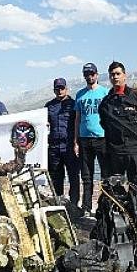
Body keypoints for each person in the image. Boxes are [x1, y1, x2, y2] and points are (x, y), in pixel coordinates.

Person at [98, 61, 137, 190]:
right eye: (112, 75)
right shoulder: (106, 103)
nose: (115, 77)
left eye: (118, 74)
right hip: (115, 152)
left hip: (135, 150)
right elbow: (105, 124)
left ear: (124, 75)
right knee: (116, 190)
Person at [74, 62, 109, 217]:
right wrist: (75, 141)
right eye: (87, 74)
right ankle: (87, 207)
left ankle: (106, 206)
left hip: (102, 138)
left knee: (105, 175)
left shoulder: (105, 92)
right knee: (86, 176)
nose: (89, 76)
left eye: (92, 74)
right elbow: (77, 119)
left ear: (97, 75)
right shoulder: (80, 95)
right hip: (84, 139)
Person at [45, 78, 81, 212]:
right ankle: (58, 204)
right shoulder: (48, 106)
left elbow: (79, 123)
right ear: (54, 90)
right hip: (54, 148)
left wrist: (77, 143)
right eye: (57, 88)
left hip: (70, 147)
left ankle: (74, 205)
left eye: (62, 88)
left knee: (73, 177)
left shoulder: (74, 104)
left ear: (66, 88)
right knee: (56, 178)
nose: (59, 90)